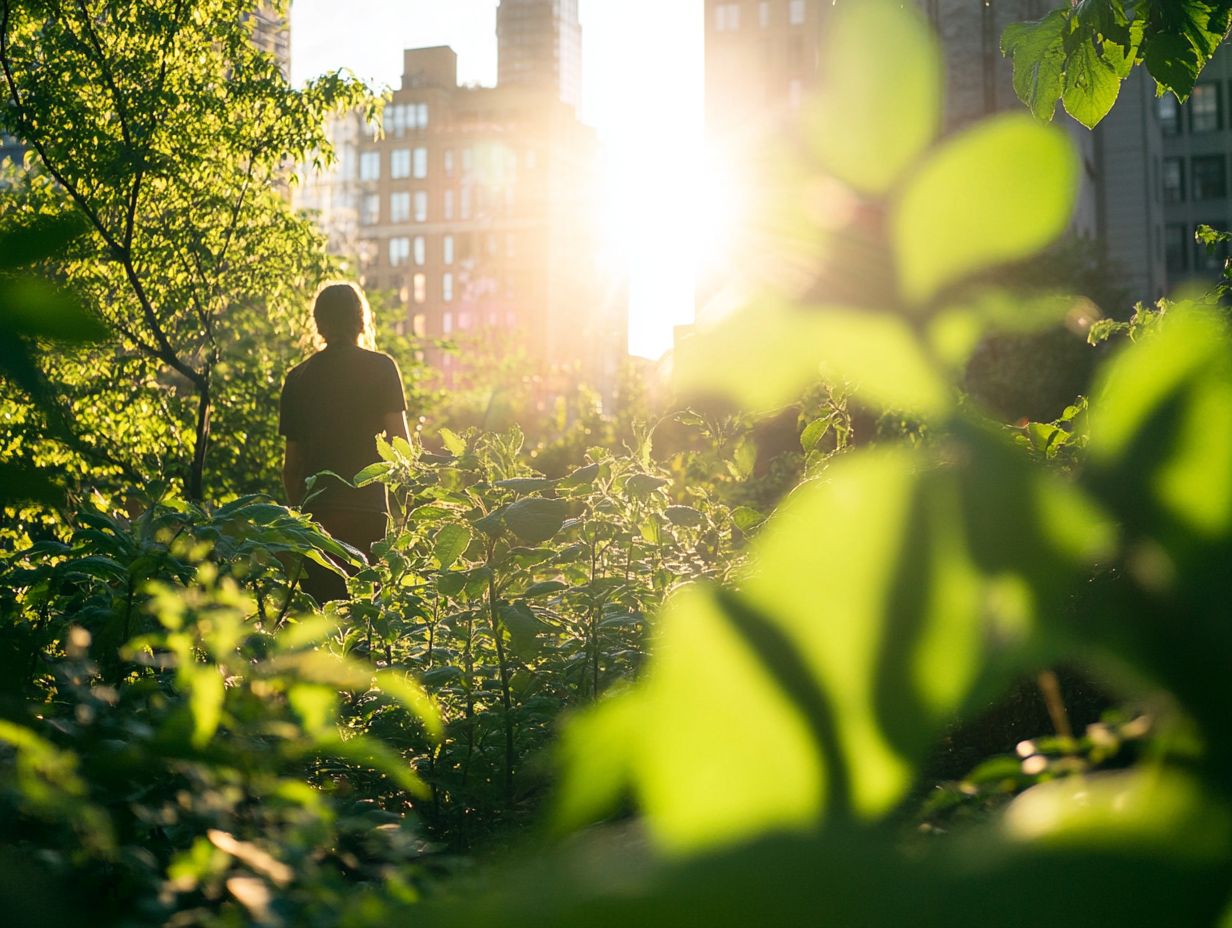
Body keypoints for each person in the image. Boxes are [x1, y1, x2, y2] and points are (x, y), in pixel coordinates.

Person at [279, 282, 409, 602]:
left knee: (322, 618)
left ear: (319, 323)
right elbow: (402, 447)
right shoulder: (382, 367)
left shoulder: (298, 378)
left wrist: (303, 514)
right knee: (365, 617)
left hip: (318, 515)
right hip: (369, 511)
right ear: (361, 319)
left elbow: (291, 467)